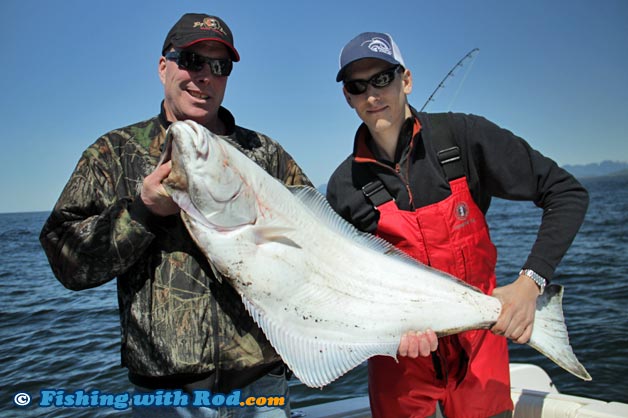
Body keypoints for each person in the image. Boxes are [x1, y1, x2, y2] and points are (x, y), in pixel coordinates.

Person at [39, 13, 311, 418]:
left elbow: (316, 245)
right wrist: (142, 213)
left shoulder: (264, 154)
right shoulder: (115, 152)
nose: (204, 76)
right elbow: (68, 262)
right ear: (163, 66)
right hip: (164, 399)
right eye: (191, 60)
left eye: (219, 66)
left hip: (262, 389)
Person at [326, 32, 589, 418]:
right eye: (357, 85)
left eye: (382, 78)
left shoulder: (463, 138)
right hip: (399, 363)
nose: (372, 94)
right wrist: (387, 334)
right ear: (347, 96)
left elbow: (566, 193)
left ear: (407, 80)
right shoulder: (343, 187)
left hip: (480, 350)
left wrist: (530, 284)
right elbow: (343, 290)